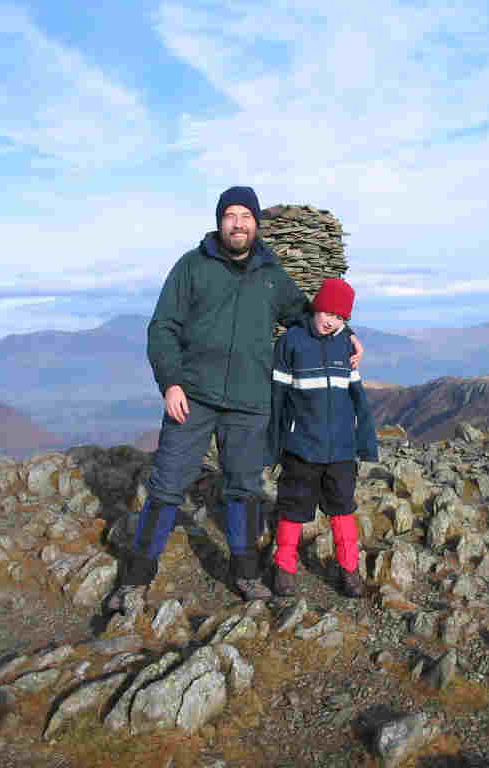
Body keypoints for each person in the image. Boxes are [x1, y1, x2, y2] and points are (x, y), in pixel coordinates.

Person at [127, 186, 363, 601]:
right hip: (194, 396)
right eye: (230, 216)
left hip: (251, 402)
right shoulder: (191, 266)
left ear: (256, 224)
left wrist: (348, 335)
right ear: (220, 222)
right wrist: (171, 383)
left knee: (244, 487)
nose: (238, 224)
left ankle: (246, 572)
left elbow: (309, 318)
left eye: (245, 216)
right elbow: (162, 327)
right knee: (166, 484)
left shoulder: (272, 275)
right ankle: (136, 575)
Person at [267, 277, 379, 598]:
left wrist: (365, 442)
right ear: (317, 306)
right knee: (292, 508)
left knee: (343, 509)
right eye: (328, 312)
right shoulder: (291, 343)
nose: (332, 321)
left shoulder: (345, 345)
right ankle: (284, 568)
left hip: (341, 450)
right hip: (301, 448)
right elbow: (279, 398)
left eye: (340, 317)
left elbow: (358, 398)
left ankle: (349, 572)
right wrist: (274, 445)